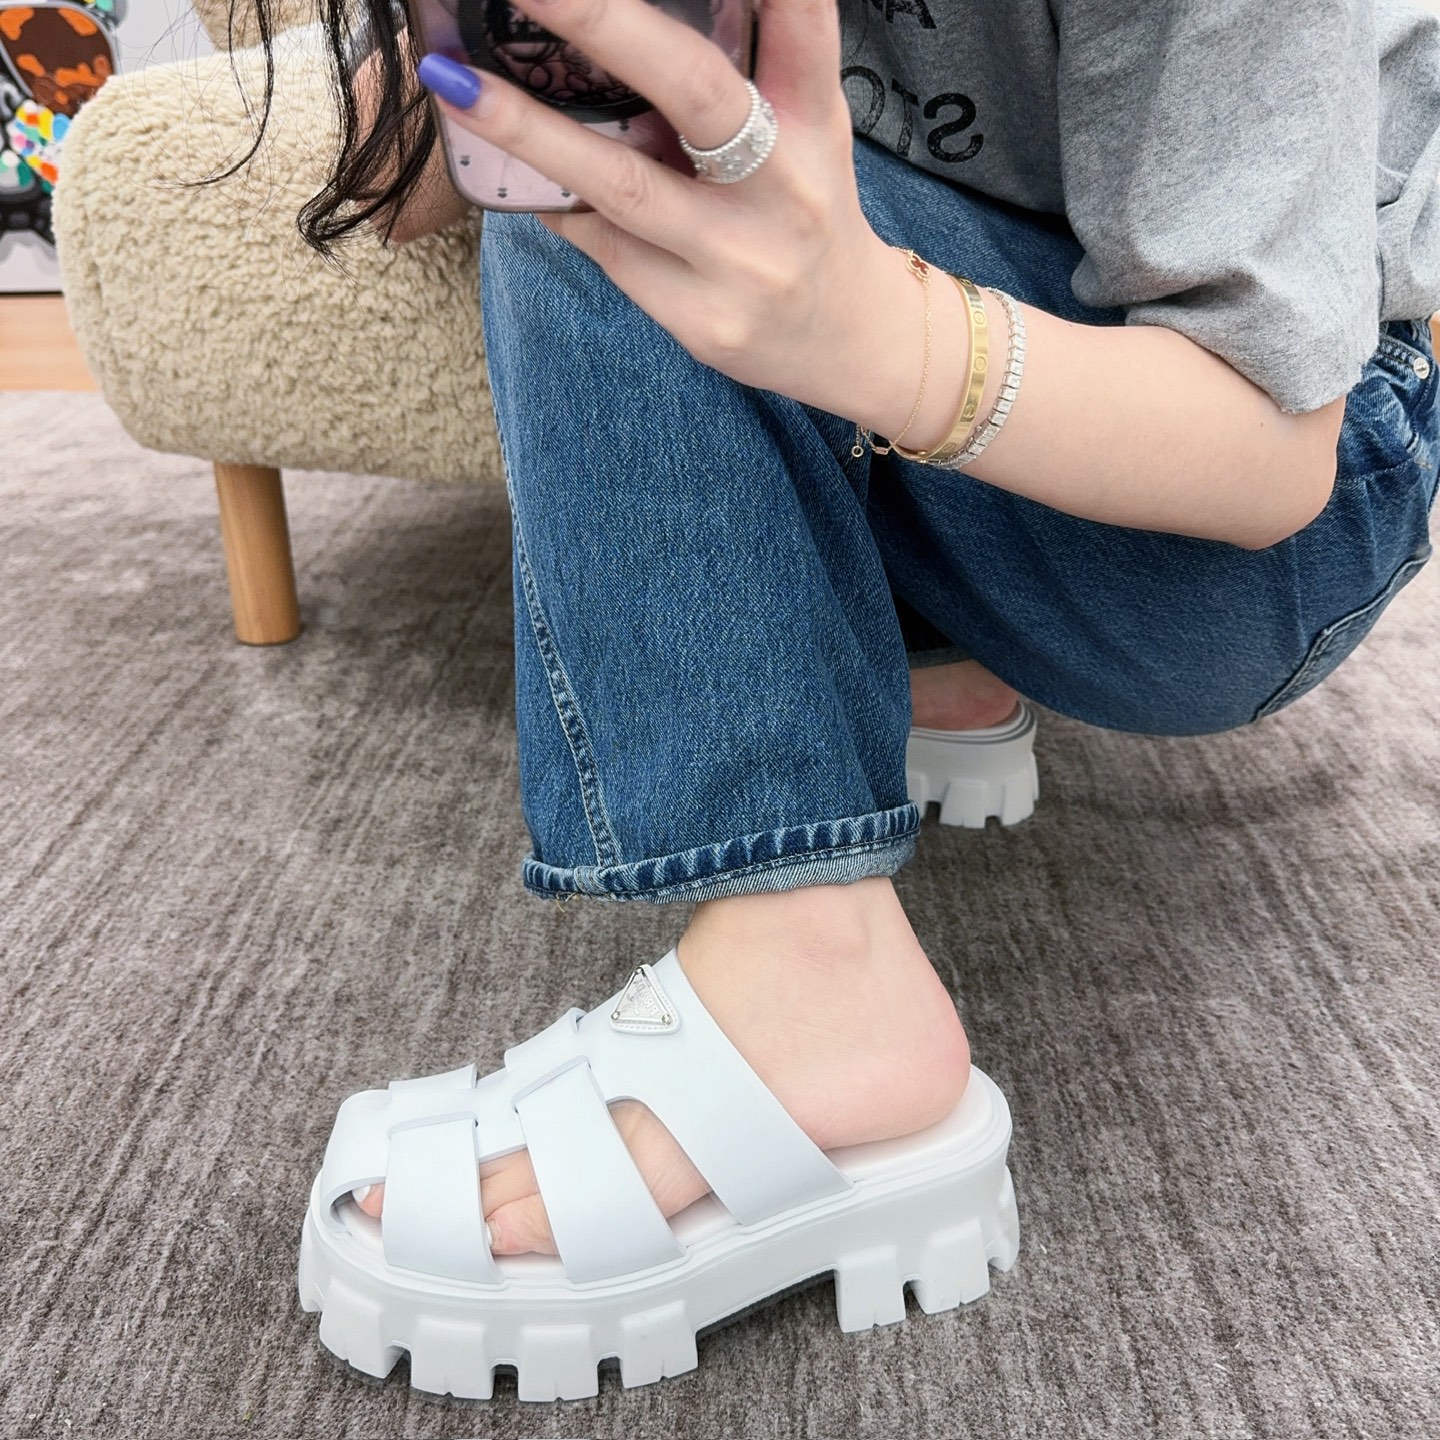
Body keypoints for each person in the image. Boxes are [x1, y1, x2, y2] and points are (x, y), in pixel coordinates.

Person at [245, 0, 1440, 1382]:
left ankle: (818, 991)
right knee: (610, 136)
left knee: (659, 196)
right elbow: (394, 194)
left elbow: (1272, 453)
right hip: (990, 404)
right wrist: (508, 52)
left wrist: (875, 331)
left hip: (1250, 522)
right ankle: (927, 656)